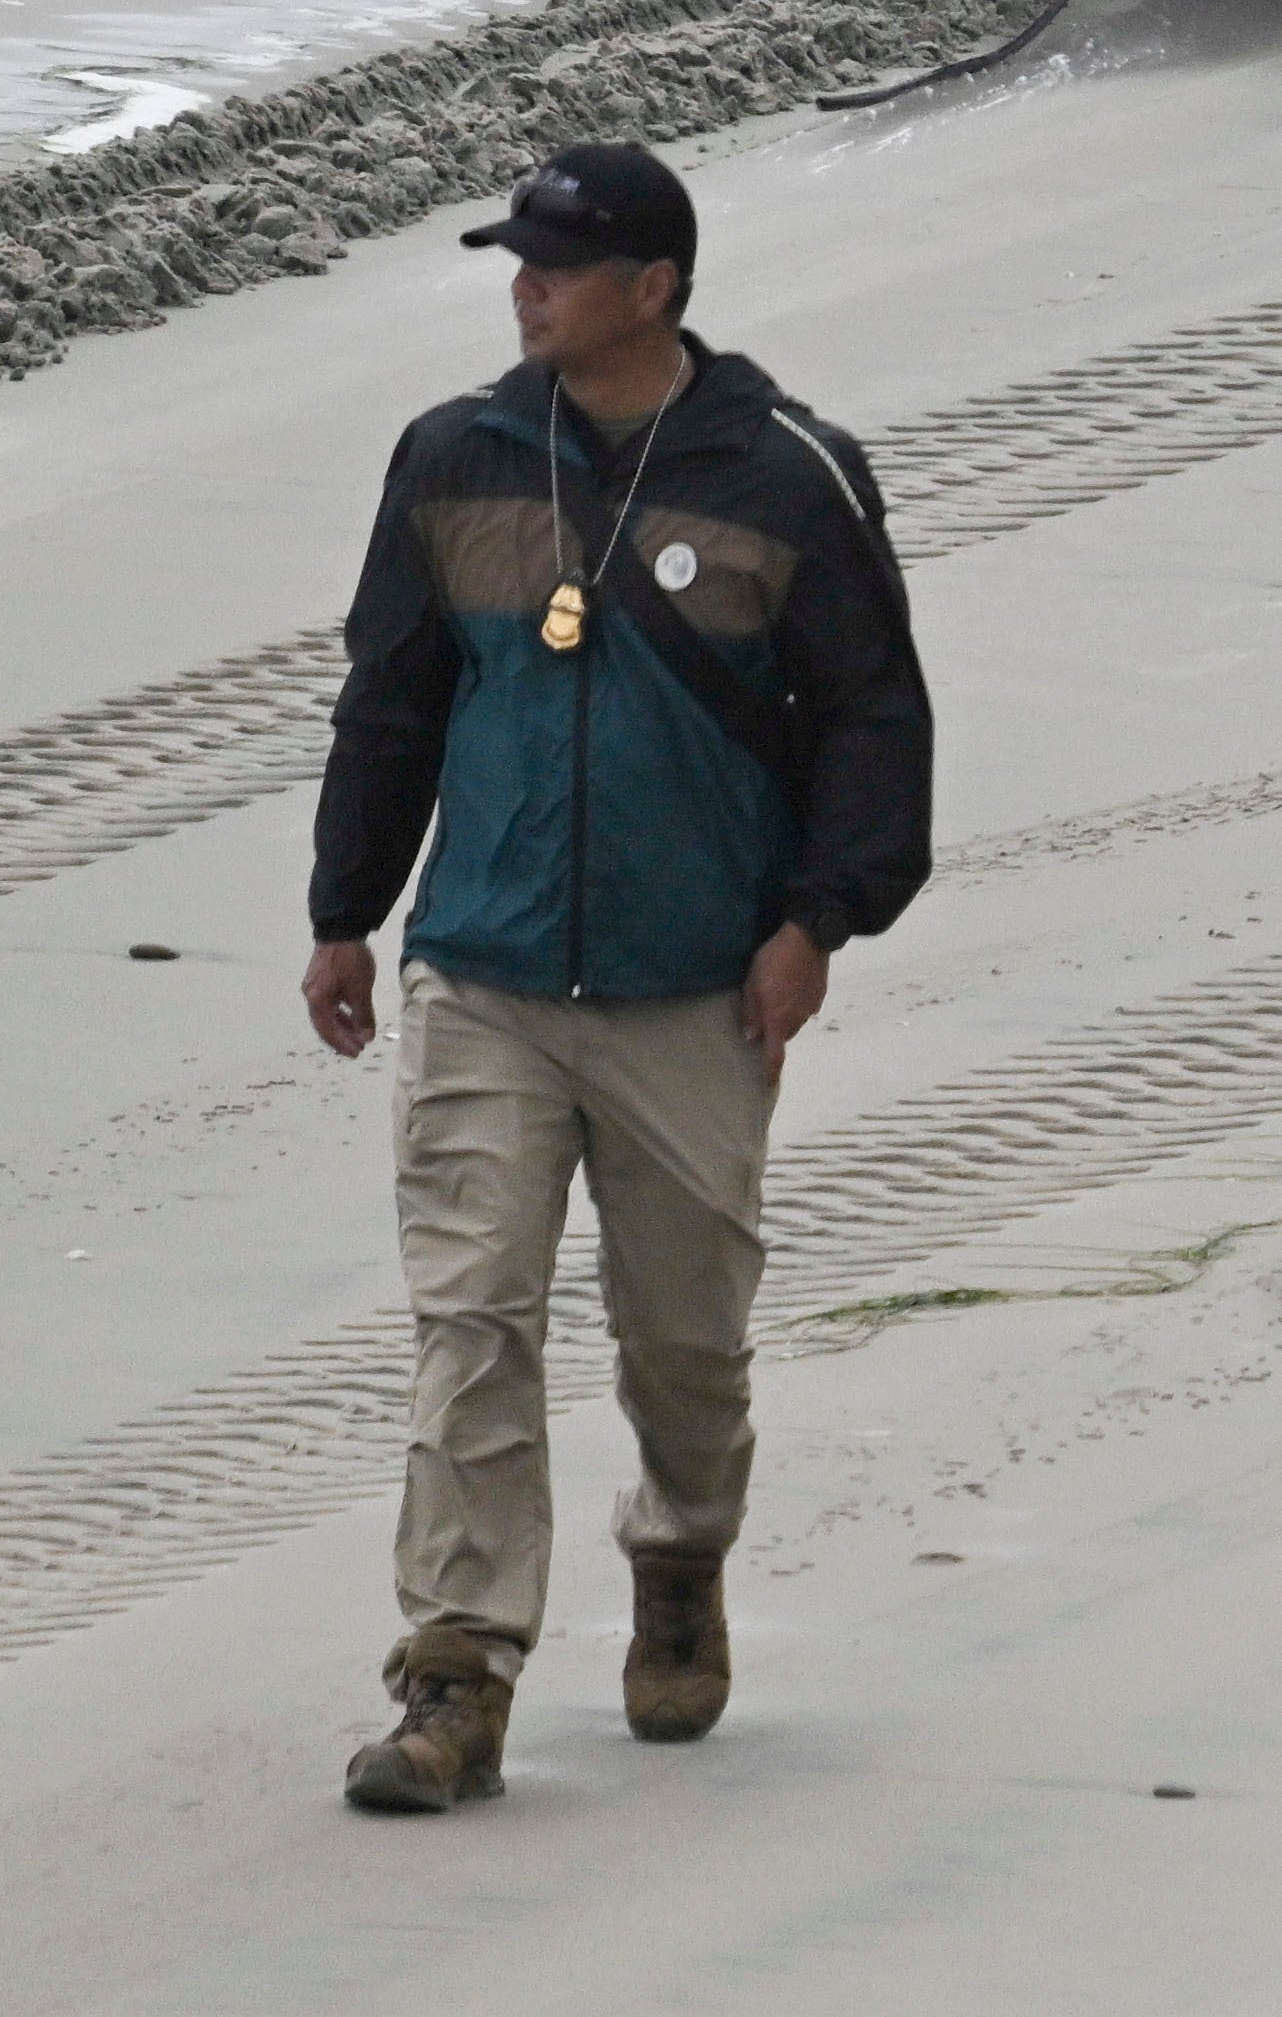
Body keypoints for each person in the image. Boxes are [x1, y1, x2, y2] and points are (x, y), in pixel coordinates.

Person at [299, 142, 931, 1813]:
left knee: (685, 1346)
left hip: (694, 989)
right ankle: (456, 1675)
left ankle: (681, 1550)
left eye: (559, 265)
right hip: (484, 970)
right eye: (518, 260)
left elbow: (875, 721)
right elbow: (392, 699)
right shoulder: (455, 454)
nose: (525, 287)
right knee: (471, 1317)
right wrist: (347, 907)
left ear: (653, 288)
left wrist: (816, 923)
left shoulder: (790, 473)